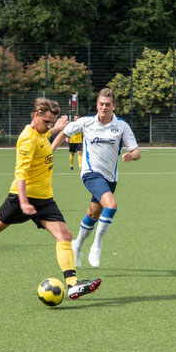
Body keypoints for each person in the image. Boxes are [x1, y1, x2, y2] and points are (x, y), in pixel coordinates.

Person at [0, 98, 101, 300]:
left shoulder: (40, 132)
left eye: (52, 122)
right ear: (35, 116)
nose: (48, 126)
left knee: (64, 235)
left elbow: (42, 137)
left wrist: (56, 129)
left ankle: (73, 284)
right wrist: (23, 202)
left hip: (45, 199)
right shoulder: (27, 139)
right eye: (47, 122)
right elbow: (21, 175)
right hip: (21, 198)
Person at [51, 88, 141, 268]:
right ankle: (96, 247)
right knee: (111, 205)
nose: (104, 107)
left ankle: (77, 245)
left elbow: (136, 151)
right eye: (101, 104)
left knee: (93, 213)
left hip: (110, 178)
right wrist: (49, 151)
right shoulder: (86, 122)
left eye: (108, 104)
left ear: (114, 106)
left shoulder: (121, 126)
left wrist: (132, 155)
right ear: (97, 105)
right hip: (90, 173)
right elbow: (64, 133)